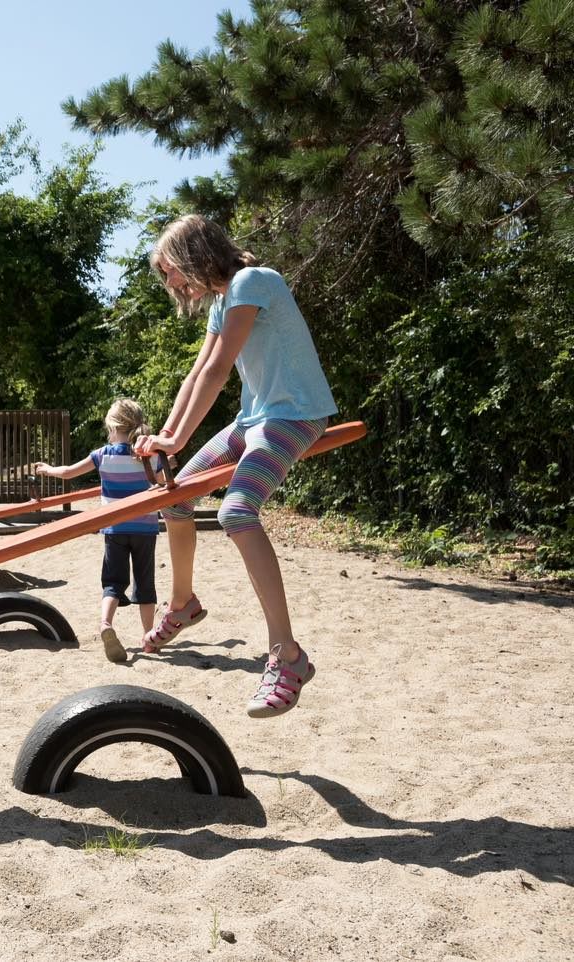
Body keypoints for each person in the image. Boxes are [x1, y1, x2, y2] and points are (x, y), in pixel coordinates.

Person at [135, 214, 337, 718]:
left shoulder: (253, 281)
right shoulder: (224, 300)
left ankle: (288, 656)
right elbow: (199, 370)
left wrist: (177, 437)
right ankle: (184, 604)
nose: (172, 284)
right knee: (176, 499)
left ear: (192, 255)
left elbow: (222, 368)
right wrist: (166, 434)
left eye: (171, 271)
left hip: (294, 414)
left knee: (237, 513)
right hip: (254, 419)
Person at [34, 399, 159, 664]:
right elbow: (161, 482)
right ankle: (149, 637)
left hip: (114, 529)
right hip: (145, 530)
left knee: (113, 582)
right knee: (145, 583)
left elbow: (69, 472)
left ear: (112, 427)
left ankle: (105, 623)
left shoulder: (102, 455)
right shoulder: (150, 455)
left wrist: (47, 470)